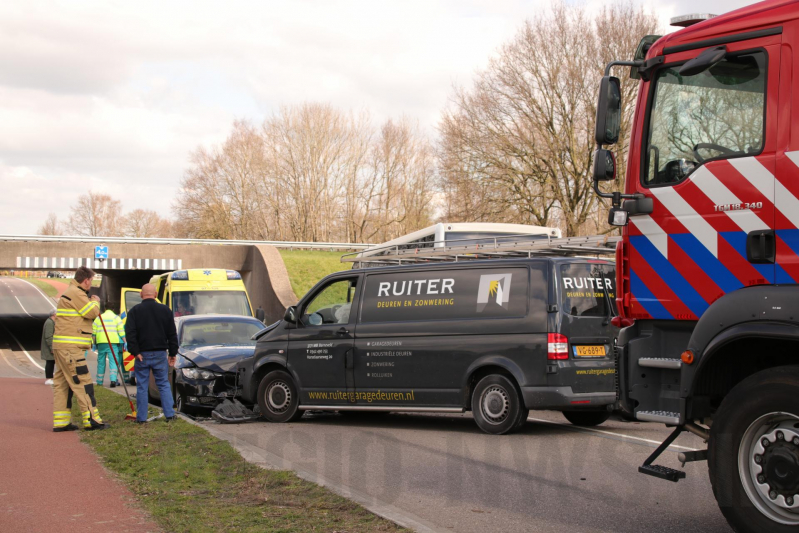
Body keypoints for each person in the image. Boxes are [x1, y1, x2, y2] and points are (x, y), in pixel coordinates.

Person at [51, 266, 108, 432]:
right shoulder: (77, 293)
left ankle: (61, 421)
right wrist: (95, 301)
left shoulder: (71, 292)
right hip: (71, 349)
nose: (92, 284)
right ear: (86, 280)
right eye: (92, 280)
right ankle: (92, 420)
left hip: (62, 347)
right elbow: (91, 313)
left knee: (62, 384)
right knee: (82, 382)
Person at [125, 283, 178, 423]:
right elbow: (172, 333)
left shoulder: (134, 311)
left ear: (141, 295)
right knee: (163, 383)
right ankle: (170, 415)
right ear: (155, 295)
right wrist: (173, 353)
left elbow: (130, 334)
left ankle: (141, 418)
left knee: (142, 386)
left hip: (142, 354)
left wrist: (135, 352)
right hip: (160, 353)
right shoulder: (165, 310)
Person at [92, 307, 126, 388]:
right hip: (113, 343)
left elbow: (94, 332)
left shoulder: (98, 318)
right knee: (114, 361)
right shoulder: (116, 318)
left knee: (101, 362)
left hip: (101, 343)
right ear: (113, 310)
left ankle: (99, 381)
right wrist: (125, 341)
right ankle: (113, 380)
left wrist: (94, 343)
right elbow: (121, 331)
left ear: (105, 309)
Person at [40, 308, 56, 385]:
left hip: (50, 346)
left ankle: (50, 378)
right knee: (50, 362)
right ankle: (48, 378)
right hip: (49, 347)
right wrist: (52, 347)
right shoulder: (50, 323)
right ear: (54, 314)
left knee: (52, 362)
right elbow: (48, 336)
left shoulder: (51, 322)